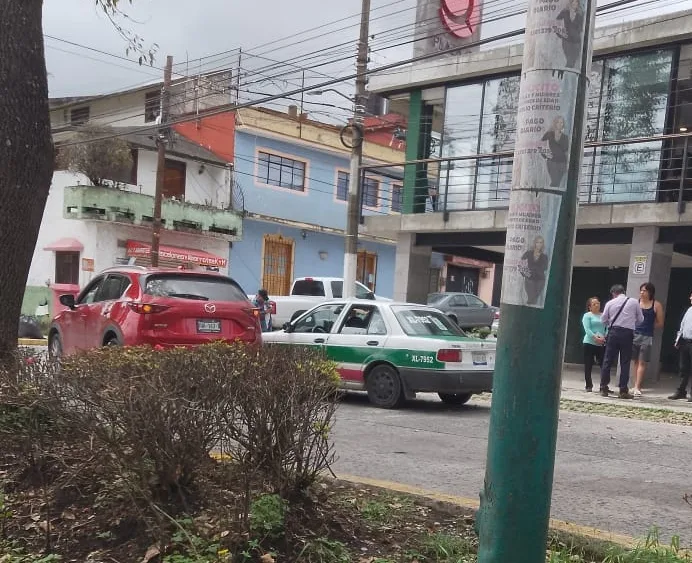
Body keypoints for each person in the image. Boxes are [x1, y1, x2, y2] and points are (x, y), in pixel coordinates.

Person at [599, 284, 644, 399]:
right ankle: (623, 390)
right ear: (623, 291)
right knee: (625, 362)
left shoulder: (610, 303)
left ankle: (603, 387)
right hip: (627, 334)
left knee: (608, 360)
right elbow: (641, 319)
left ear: (614, 293)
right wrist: (631, 322)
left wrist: (612, 321)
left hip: (613, 332)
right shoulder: (634, 302)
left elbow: (603, 319)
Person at [631, 282, 664, 397]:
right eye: (641, 290)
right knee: (635, 361)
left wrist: (650, 326)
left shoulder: (656, 305)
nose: (642, 293)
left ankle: (638, 386)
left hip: (647, 336)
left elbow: (660, 322)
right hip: (634, 334)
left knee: (642, 361)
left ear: (650, 292)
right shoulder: (636, 303)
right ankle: (635, 384)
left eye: (644, 290)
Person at [669, 291, 692, 401]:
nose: (691, 297)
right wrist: (677, 340)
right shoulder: (689, 310)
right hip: (685, 342)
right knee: (683, 368)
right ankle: (681, 391)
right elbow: (682, 326)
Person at [582, 297, 606, 392]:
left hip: (601, 343)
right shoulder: (587, 316)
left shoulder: (603, 315)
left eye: (598, 303)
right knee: (588, 364)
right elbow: (587, 329)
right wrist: (595, 338)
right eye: (594, 304)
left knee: (603, 364)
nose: (597, 305)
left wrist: (604, 337)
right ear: (590, 307)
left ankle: (603, 385)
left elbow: (607, 327)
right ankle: (588, 385)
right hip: (589, 342)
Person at [555, 0, 584, 71]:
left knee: (573, 60)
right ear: (570, 3)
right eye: (574, 2)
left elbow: (580, 29)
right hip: (567, 39)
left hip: (576, 41)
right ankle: (564, 73)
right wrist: (559, 32)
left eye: (577, 3)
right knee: (569, 59)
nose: (575, 4)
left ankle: (565, 74)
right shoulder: (565, 12)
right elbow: (556, 22)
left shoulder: (579, 15)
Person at [520, 235, 549, 305]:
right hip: (529, 280)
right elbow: (521, 265)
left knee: (535, 298)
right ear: (534, 243)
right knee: (531, 298)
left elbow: (545, 267)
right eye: (537, 242)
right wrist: (526, 274)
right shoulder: (528, 253)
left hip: (540, 280)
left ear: (543, 244)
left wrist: (537, 268)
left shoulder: (544, 256)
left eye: (541, 242)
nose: (539, 244)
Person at [541, 116, 569, 188]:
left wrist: (567, 164)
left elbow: (566, 151)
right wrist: (544, 155)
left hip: (562, 163)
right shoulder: (549, 134)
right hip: (552, 162)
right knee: (554, 181)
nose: (560, 124)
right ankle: (547, 196)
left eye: (561, 122)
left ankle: (553, 197)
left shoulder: (565, 137)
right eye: (558, 122)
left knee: (557, 183)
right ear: (555, 123)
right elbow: (540, 145)